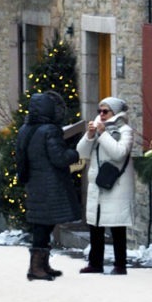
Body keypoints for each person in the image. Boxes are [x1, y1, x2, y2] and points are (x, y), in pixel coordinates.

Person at [15, 90, 81, 281]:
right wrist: (76, 153)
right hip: (50, 184)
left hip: (35, 183)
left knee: (42, 224)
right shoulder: (50, 130)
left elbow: (21, 157)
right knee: (44, 225)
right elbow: (60, 158)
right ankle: (36, 267)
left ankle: (42, 264)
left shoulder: (25, 129)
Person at [76, 95, 134, 275]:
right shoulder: (97, 128)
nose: (101, 115)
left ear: (115, 112)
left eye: (105, 111)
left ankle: (120, 264)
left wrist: (102, 134)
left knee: (117, 226)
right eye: (99, 111)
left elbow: (119, 153)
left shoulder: (125, 130)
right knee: (95, 225)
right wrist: (90, 136)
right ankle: (95, 263)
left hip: (116, 185)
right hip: (97, 183)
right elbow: (81, 152)